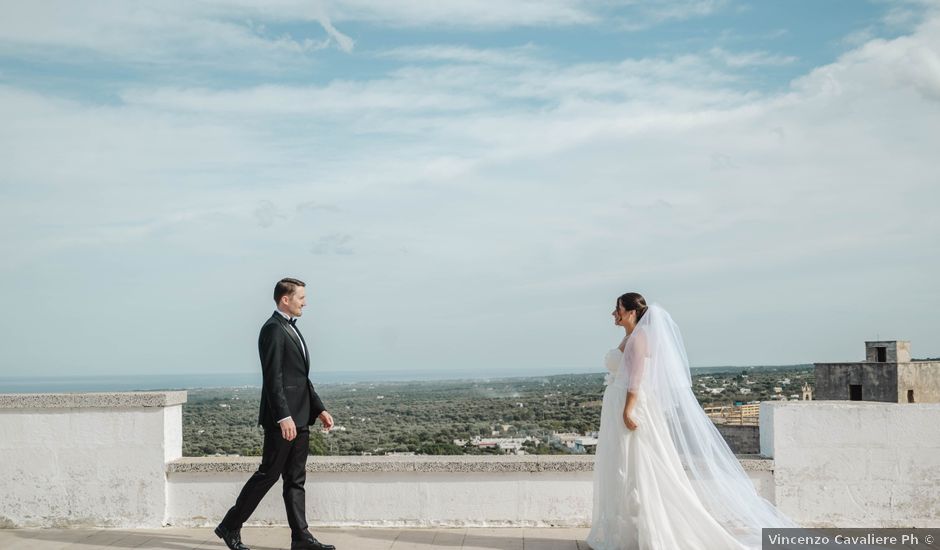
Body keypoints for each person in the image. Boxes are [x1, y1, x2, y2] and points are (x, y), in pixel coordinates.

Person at [586, 293, 795, 550]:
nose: (613, 313)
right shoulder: (631, 336)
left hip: (630, 408)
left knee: (640, 465)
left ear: (630, 312)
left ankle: (652, 531)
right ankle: (630, 532)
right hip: (619, 406)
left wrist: (628, 411)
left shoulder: (640, 338)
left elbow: (636, 379)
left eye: (617, 308)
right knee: (625, 466)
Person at [215, 278, 336, 550]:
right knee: (267, 475)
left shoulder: (292, 330)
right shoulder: (272, 329)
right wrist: (284, 417)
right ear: (285, 299)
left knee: (295, 479)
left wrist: (319, 409)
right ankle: (229, 526)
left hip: (302, 418)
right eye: (301, 297)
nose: (305, 302)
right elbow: (273, 379)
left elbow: (300, 379)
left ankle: (300, 536)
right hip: (284, 422)